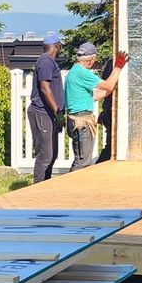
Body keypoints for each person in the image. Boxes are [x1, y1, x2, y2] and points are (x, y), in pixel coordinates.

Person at [63, 41, 109, 169]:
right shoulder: (83, 73)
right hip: (82, 122)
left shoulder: (73, 72)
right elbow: (108, 85)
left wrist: (110, 90)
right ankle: (70, 187)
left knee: (83, 159)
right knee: (82, 162)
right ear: (91, 59)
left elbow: (93, 96)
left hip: (77, 120)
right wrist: (118, 68)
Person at [28, 31, 64, 183]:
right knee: (45, 155)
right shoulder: (46, 62)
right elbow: (45, 88)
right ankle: (37, 188)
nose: (61, 48)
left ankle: (46, 184)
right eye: (60, 46)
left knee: (52, 154)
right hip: (41, 112)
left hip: (49, 114)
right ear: (56, 46)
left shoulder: (48, 62)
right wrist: (58, 112)